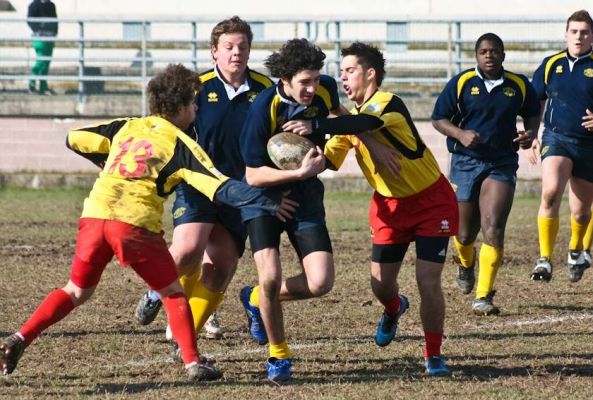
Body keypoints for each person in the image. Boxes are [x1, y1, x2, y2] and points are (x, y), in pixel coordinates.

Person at [0, 64, 296, 380]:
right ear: (181, 108)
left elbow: (75, 137)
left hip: (95, 215)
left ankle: (19, 337)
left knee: (76, 291)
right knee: (172, 292)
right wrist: (266, 201)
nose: (197, 107)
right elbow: (220, 186)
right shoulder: (180, 144)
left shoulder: (126, 127)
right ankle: (193, 363)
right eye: (194, 102)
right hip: (132, 222)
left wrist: (104, 160)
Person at [237, 38, 391, 383]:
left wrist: (371, 142)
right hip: (262, 198)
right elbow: (251, 174)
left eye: (315, 79)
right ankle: (279, 355)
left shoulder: (325, 90)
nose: (311, 88)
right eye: (303, 82)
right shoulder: (264, 108)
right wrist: (295, 174)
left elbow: (342, 115)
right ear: (285, 79)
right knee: (271, 276)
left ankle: (254, 299)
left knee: (321, 282)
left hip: (304, 195)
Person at [133, 16, 273, 344]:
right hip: (197, 183)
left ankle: (187, 334)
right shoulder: (197, 87)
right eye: (228, 47)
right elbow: (164, 126)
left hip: (240, 191)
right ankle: (156, 293)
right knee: (187, 249)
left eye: (242, 46)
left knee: (221, 265)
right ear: (214, 52)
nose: (236, 52)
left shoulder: (265, 90)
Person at [324, 42, 458, 376]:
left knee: (428, 281)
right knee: (381, 285)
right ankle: (394, 306)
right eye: (340, 72)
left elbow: (359, 124)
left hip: (432, 201)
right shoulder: (349, 122)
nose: (343, 77)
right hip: (389, 207)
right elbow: (327, 160)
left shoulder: (387, 104)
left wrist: (317, 122)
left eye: (350, 70)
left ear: (370, 74)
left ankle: (433, 355)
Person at [431, 33, 540, 315]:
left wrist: (530, 134)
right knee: (465, 233)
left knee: (493, 226)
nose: (489, 55)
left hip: (501, 163)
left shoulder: (518, 85)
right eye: (483, 51)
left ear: (503, 55)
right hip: (466, 162)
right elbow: (438, 118)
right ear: (476, 56)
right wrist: (460, 134)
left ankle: (483, 296)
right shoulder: (462, 82)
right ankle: (466, 264)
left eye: (494, 51)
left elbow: (532, 111)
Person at [528, 10, 593, 283]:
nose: (579, 36)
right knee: (550, 192)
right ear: (566, 34)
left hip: (590, 145)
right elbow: (534, 103)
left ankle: (575, 249)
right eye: (574, 31)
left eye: (584, 32)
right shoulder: (550, 64)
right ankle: (544, 259)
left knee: (581, 212)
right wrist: (533, 133)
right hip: (557, 138)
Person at [27, 0, 57, 95]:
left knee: (46, 62)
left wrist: (55, 32)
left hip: (50, 36)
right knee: (41, 60)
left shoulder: (51, 5)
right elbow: (30, 20)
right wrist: (39, 29)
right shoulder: (34, 5)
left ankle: (43, 86)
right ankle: (32, 83)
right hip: (39, 37)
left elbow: (55, 20)